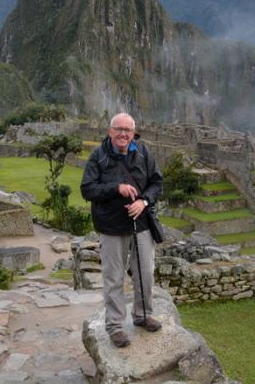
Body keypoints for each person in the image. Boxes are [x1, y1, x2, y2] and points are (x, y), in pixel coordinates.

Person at [80, 112, 163, 348]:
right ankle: (116, 327)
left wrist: (144, 201)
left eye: (128, 130)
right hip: (112, 225)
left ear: (133, 132)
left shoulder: (143, 153)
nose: (123, 134)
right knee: (114, 277)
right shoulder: (99, 156)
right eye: (119, 129)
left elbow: (157, 182)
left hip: (142, 223)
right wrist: (116, 188)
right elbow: (87, 189)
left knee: (145, 272)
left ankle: (143, 315)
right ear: (110, 131)